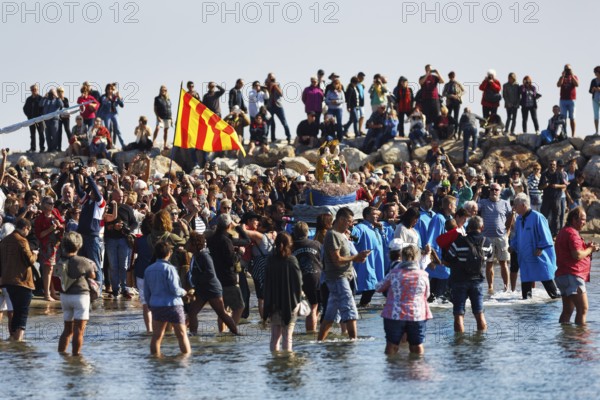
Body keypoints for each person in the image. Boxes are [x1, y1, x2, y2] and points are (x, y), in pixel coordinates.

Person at [318, 207, 369, 341]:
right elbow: (336, 259)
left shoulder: (341, 235)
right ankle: (354, 342)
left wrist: (358, 257)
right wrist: (355, 257)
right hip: (338, 278)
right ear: (341, 219)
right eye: (349, 221)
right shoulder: (333, 235)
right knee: (350, 310)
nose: (351, 224)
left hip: (339, 278)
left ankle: (319, 342)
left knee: (330, 315)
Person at [375, 243, 432, 355]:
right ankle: (418, 368)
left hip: (394, 314)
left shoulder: (394, 274)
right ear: (417, 257)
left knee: (392, 345)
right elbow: (427, 295)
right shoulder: (423, 275)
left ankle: (391, 369)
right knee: (417, 346)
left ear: (402, 257)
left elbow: (378, 287)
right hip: (417, 314)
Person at [185, 231, 239, 335]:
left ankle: (236, 333)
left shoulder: (204, 256)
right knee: (192, 313)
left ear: (194, 244)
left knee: (221, 313)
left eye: (188, 242)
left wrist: (196, 283)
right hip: (202, 290)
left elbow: (210, 274)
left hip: (212, 289)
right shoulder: (195, 256)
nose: (186, 244)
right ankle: (193, 335)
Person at [445, 216, 492, 333]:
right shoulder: (487, 242)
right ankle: (481, 340)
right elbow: (489, 257)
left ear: (468, 227)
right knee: (479, 313)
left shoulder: (459, 241)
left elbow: (448, 259)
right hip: (478, 281)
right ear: (482, 227)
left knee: (459, 314)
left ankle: (459, 342)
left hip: (460, 281)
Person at [144, 241, 191, 356]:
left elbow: (146, 291)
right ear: (169, 253)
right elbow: (175, 289)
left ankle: (155, 359)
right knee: (181, 335)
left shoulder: (148, 269)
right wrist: (185, 292)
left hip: (157, 305)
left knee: (157, 336)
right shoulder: (170, 269)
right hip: (173, 305)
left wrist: (150, 305)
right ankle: (186, 360)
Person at [510, 193, 560, 300]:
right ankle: (527, 312)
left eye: (516, 205)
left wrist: (541, 247)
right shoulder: (519, 219)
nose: (514, 208)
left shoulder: (538, 217)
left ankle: (560, 301)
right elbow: (516, 236)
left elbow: (546, 235)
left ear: (523, 205)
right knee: (526, 296)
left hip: (538, 256)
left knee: (551, 290)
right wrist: (512, 246)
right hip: (525, 258)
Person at [555, 207, 599, 325]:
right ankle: (580, 340)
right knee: (583, 309)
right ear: (574, 219)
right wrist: (590, 249)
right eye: (583, 219)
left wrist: (588, 248)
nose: (584, 222)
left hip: (563, 275)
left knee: (567, 310)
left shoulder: (564, 231)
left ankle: (566, 339)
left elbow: (571, 252)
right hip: (572, 275)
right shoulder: (572, 233)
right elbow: (577, 254)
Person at [57, 232, 96, 356]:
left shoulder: (61, 260)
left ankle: (61, 354)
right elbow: (92, 275)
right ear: (78, 245)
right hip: (80, 296)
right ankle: (76, 357)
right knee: (79, 330)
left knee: (67, 330)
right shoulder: (82, 261)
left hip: (64, 296)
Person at [263, 232, 303, 352]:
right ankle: (287, 363)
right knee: (287, 336)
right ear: (289, 245)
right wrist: (298, 300)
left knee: (275, 337)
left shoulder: (270, 260)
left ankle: (275, 364)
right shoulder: (291, 260)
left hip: (273, 303)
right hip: (289, 303)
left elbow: (266, 282)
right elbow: (298, 283)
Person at [0, 218, 38, 341]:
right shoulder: (22, 240)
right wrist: (35, 254)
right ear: (25, 228)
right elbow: (29, 260)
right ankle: (18, 344)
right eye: (29, 230)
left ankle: (12, 340)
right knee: (22, 315)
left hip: (8, 281)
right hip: (22, 282)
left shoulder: (5, 240)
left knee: (15, 313)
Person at [478, 182, 513, 292]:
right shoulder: (483, 202)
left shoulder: (505, 203)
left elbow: (511, 215)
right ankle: (490, 287)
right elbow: (473, 208)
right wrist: (476, 193)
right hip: (487, 237)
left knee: (504, 262)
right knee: (489, 263)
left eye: (496, 190)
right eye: (492, 189)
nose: (494, 191)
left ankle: (506, 287)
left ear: (500, 192)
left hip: (501, 237)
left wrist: (508, 231)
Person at [292, 222, 322, 332]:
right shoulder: (316, 244)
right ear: (307, 232)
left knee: (312, 307)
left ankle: (312, 328)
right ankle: (311, 333)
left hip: (299, 280)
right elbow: (322, 259)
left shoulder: (291, 246)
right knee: (314, 307)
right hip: (316, 278)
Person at [352, 206, 385, 307]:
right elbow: (353, 236)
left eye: (377, 215)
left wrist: (380, 229)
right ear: (366, 216)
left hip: (376, 264)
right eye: (374, 214)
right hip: (366, 264)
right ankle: (362, 305)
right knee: (370, 287)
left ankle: (363, 305)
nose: (376, 217)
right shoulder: (361, 227)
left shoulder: (375, 228)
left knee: (372, 287)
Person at [34, 196, 65, 301]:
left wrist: (59, 226)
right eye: (49, 203)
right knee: (48, 269)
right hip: (46, 246)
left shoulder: (55, 212)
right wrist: (51, 229)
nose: (52, 205)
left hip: (55, 244)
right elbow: (40, 235)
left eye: (53, 203)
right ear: (43, 205)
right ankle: (47, 294)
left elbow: (63, 224)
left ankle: (52, 292)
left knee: (51, 270)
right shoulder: (40, 219)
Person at [539, 159, 567, 237]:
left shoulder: (559, 174)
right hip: (546, 199)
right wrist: (545, 186)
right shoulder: (544, 174)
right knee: (544, 216)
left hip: (556, 199)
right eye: (551, 164)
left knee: (556, 217)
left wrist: (557, 186)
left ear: (556, 166)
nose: (552, 166)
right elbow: (539, 187)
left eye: (553, 165)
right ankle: (543, 233)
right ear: (548, 165)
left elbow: (564, 185)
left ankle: (555, 235)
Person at [266, 73, 291, 143]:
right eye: (270, 78)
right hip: (270, 106)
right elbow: (268, 95)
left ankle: (288, 137)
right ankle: (271, 138)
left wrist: (275, 86)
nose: (272, 79)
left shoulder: (277, 84)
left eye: (273, 78)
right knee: (270, 123)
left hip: (278, 106)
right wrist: (270, 86)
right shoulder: (266, 85)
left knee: (284, 122)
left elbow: (281, 94)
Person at [98, 83, 125, 148]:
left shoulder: (115, 96)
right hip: (107, 114)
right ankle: (109, 144)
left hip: (114, 114)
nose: (110, 91)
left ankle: (123, 144)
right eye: (109, 89)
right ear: (106, 90)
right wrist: (108, 98)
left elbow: (122, 105)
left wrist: (119, 98)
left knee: (118, 129)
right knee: (108, 129)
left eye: (112, 89)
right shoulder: (104, 96)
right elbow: (103, 102)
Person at [557, 64, 579, 137]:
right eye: (566, 69)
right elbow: (558, 85)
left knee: (572, 118)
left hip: (571, 100)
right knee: (563, 119)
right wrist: (563, 76)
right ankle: (564, 134)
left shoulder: (574, 77)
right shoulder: (562, 77)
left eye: (568, 69)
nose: (567, 71)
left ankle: (573, 135)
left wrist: (572, 75)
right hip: (563, 100)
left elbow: (577, 84)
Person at [23, 84, 46, 153]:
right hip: (31, 120)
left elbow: (44, 108)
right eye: (32, 90)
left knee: (41, 134)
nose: (34, 91)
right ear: (31, 90)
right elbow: (25, 108)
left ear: (37, 90)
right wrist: (29, 116)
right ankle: (33, 148)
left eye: (35, 89)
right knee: (32, 134)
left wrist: (41, 115)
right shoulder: (29, 99)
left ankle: (42, 148)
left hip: (39, 119)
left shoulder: (41, 98)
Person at [153, 85, 172, 149]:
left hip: (168, 117)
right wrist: (157, 116)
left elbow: (170, 109)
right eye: (162, 90)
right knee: (157, 128)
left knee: (166, 130)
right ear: (160, 90)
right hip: (160, 116)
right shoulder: (157, 98)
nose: (164, 91)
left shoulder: (168, 99)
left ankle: (165, 145)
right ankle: (153, 142)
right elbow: (155, 109)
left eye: (165, 90)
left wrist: (171, 118)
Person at [589, 66, 600, 134]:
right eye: (595, 72)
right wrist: (593, 90)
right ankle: (596, 131)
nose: (596, 73)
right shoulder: (593, 80)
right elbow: (590, 90)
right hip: (595, 99)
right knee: (596, 115)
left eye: (597, 72)